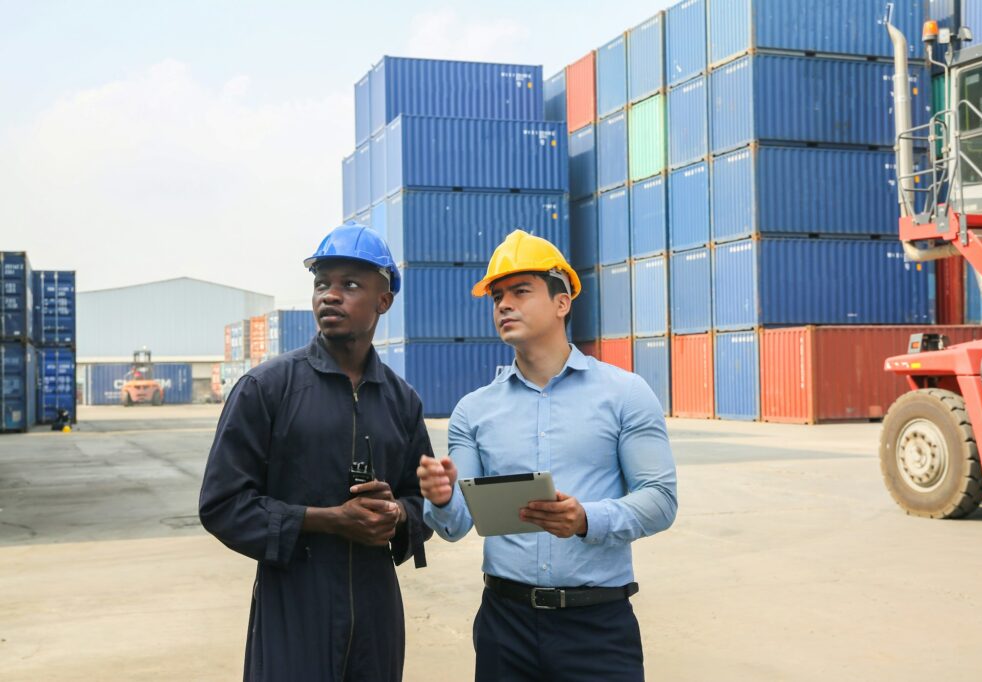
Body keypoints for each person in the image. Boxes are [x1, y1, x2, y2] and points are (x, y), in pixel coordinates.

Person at [417, 230, 678, 681]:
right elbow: (457, 525)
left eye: (521, 291)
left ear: (562, 303)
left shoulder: (625, 394)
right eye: (497, 295)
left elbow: (660, 500)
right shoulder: (473, 411)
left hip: (596, 627)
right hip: (505, 625)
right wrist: (440, 499)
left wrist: (586, 519)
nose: (503, 304)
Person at [199, 223, 433, 682]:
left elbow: (422, 501)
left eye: (350, 284)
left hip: (376, 611)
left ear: (383, 300)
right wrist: (325, 519)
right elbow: (222, 504)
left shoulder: (401, 401)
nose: (330, 295)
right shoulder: (266, 389)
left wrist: (398, 515)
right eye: (321, 283)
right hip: (293, 603)